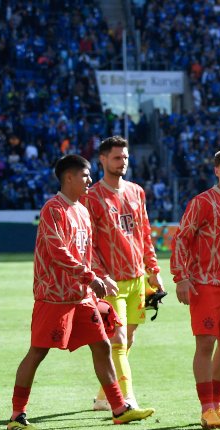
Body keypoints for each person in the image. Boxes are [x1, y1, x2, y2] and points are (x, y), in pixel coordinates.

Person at [8, 154, 154, 430]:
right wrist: (91, 277)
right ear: (69, 177)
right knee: (38, 352)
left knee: (103, 345)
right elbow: (57, 250)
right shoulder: (53, 209)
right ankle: (17, 414)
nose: (90, 180)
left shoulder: (82, 211)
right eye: (85, 175)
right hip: (54, 295)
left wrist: (100, 279)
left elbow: (86, 255)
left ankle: (119, 408)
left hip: (82, 296)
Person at [171, 149, 220, 430]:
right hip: (205, 284)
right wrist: (181, 277)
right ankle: (206, 409)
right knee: (206, 343)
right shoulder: (202, 201)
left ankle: (217, 405)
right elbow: (182, 238)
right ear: (217, 171)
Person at [83, 136, 162, 412]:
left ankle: (104, 396)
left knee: (128, 339)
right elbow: (89, 244)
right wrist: (100, 276)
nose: (122, 162)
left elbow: (144, 233)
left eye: (125, 157)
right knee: (117, 340)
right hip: (110, 282)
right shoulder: (92, 197)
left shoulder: (136, 191)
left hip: (137, 277)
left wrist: (153, 270)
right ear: (103, 160)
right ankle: (126, 399)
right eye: (117, 158)